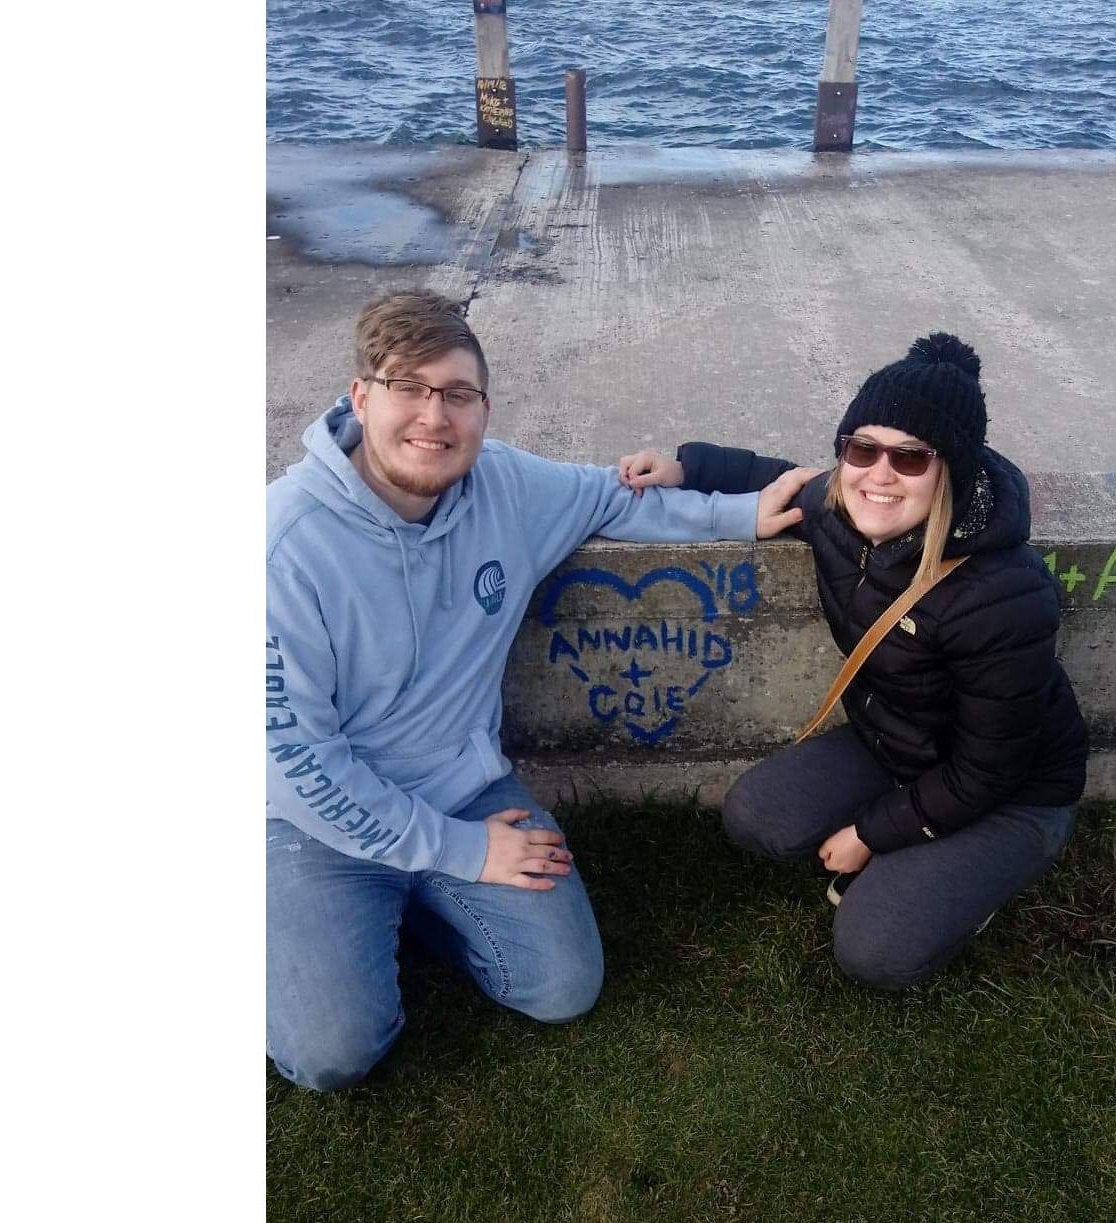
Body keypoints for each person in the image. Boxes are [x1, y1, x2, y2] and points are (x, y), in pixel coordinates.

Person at [267, 290, 809, 1090]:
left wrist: (738, 511)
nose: (433, 416)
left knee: (561, 989)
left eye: (457, 394)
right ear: (359, 398)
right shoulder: (282, 546)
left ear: (484, 410)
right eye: (406, 389)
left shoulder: (505, 487)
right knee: (333, 1055)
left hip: (463, 789)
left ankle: (410, 905)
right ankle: (338, 910)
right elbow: (294, 763)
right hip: (314, 819)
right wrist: (467, 853)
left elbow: (612, 494)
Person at [619, 333, 1089, 990]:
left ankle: (976, 881)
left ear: (951, 467)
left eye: (911, 457)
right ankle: (920, 844)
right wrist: (686, 466)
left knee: (875, 952)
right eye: (862, 449)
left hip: (1013, 792)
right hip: (899, 743)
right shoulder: (841, 508)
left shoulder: (1004, 595)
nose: (880, 474)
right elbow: (775, 478)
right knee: (756, 817)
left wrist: (871, 833)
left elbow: (990, 768)